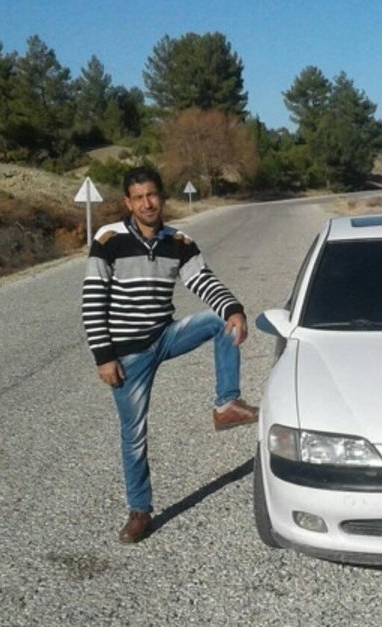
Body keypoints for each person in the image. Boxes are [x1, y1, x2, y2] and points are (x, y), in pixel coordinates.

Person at [81, 166, 257, 544]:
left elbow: (202, 280)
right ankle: (140, 511)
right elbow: (92, 300)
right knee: (134, 435)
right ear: (129, 203)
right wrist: (103, 356)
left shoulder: (178, 241)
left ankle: (226, 404)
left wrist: (234, 309)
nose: (147, 203)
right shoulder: (108, 239)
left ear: (162, 197)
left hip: (165, 335)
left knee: (221, 320)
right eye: (139, 198)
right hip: (128, 353)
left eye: (152, 195)